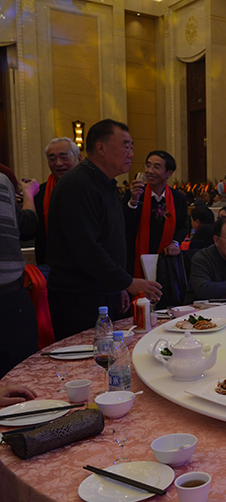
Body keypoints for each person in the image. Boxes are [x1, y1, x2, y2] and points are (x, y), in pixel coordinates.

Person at [46, 119, 162, 340]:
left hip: (102, 290)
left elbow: (111, 239)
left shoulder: (106, 184)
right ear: (101, 148)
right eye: (126, 146)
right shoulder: (78, 185)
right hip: (79, 296)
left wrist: (118, 286)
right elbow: (86, 248)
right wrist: (128, 282)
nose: (131, 154)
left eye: (132, 147)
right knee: (88, 357)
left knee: (111, 355)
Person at [0, 167, 39, 378]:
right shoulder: (3, 181)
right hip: (9, 299)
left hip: (10, 300)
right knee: (20, 376)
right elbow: (27, 226)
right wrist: (28, 195)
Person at [124, 151, 189, 277]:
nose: (150, 171)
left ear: (169, 173)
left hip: (166, 258)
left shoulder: (178, 198)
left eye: (156, 167)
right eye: (148, 166)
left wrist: (175, 242)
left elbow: (184, 225)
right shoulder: (135, 193)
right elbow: (125, 225)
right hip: (134, 257)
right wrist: (133, 202)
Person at [34, 137, 82, 266]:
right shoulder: (40, 192)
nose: (58, 163)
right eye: (52, 159)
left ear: (79, 158)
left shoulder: (91, 189)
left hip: (85, 264)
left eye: (64, 157)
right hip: (50, 265)